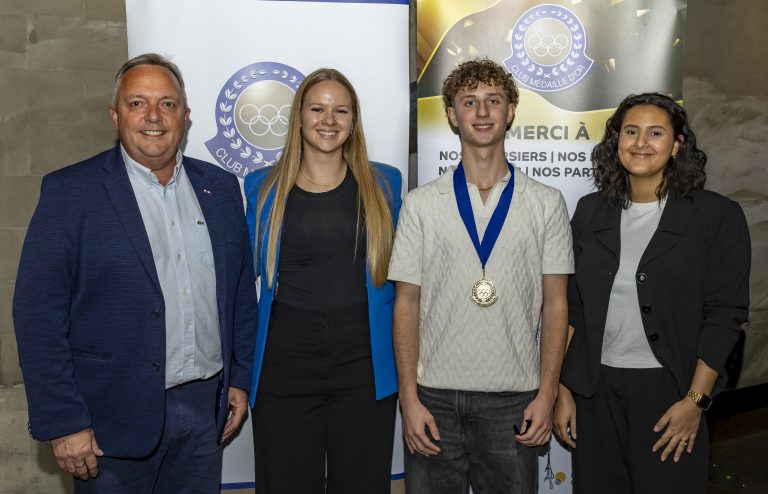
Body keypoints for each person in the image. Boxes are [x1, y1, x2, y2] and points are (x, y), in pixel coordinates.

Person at [13, 53, 258, 493]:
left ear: (185, 116)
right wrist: (65, 421)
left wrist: (239, 380)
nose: (153, 117)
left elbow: (239, 293)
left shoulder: (220, 189)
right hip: (109, 422)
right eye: (137, 103)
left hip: (205, 412)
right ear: (115, 114)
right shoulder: (71, 192)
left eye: (167, 104)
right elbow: (38, 316)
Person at [389, 58, 573, 493]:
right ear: (453, 116)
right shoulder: (421, 204)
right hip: (434, 399)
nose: (483, 111)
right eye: (469, 102)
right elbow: (406, 304)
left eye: (494, 100)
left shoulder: (547, 203)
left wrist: (547, 394)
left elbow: (556, 304)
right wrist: (408, 398)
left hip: (515, 399)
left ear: (511, 110)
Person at [553, 93, 751, 494]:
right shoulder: (590, 212)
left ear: (677, 144)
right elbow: (573, 309)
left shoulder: (715, 216)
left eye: (655, 132)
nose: (641, 142)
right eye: (631, 131)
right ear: (616, 141)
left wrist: (695, 402)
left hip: (669, 392)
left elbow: (724, 316)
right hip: (594, 392)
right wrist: (562, 390)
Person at [243, 68, 402, 494]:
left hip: (364, 369)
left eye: (341, 110)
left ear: (353, 122)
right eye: (317, 108)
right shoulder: (261, 187)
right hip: (284, 369)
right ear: (298, 117)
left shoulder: (386, 184)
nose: (328, 119)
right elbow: (241, 282)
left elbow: (406, 280)